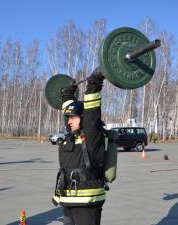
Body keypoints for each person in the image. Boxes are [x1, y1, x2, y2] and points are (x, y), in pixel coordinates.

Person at [52, 68, 106, 225]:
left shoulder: (92, 136)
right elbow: (69, 111)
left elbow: (91, 112)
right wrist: (67, 95)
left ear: (83, 118)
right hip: (69, 200)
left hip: (87, 202)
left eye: (72, 118)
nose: (68, 121)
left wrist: (94, 83)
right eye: (67, 118)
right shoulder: (71, 136)